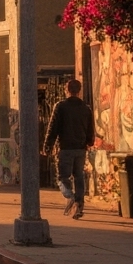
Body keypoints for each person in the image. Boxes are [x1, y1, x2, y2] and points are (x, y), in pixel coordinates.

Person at [46, 79, 95, 219]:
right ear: (79, 90)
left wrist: (48, 145)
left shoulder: (60, 107)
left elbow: (53, 128)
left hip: (65, 147)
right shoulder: (86, 108)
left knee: (63, 177)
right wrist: (89, 141)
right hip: (80, 148)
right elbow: (90, 128)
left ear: (66, 90)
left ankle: (70, 196)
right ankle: (79, 204)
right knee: (79, 175)